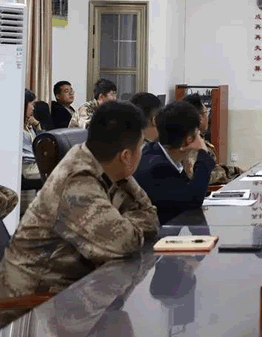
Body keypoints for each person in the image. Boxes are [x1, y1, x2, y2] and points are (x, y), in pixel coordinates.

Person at [0, 102, 158, 297]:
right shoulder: (77, 181)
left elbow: (151, 220)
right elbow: (123, 245)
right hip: (40, 304)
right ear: (126, 155)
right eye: (141, 146)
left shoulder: (109, 167)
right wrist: (129, 226)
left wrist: (127, 226)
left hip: (80, 288)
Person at [134, 101, 215, 225]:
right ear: (188, 140)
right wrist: (203, 153)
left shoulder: (153, 150)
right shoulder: (158, 168)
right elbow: (193, 201)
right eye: (197, 134)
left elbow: (187, 189)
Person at [182, 94, 241, 185]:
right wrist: (224, 174)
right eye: (206, 112)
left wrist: (236, 170)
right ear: (200, 118)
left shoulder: (196, 138)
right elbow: (196, 177)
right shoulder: (192, 144)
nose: (208, 117)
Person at [21, 88, 41, 182]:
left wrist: (37, 125)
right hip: (26, 168)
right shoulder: (15, 128)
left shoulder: (28, 125)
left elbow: (39, 142)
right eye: (31, 104)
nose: (33, 108)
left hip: (35, 164)